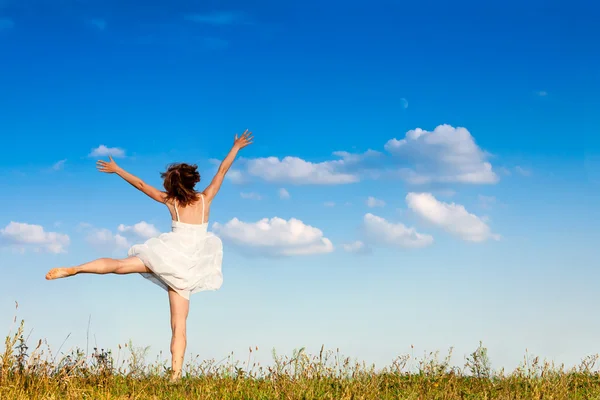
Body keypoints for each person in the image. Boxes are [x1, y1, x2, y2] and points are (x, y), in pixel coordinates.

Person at [45, 130, 253, 381]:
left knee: (120, 265)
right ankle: (175, 376)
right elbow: (222, 171)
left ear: (173, 184)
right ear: (193, 181)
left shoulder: (171, 201)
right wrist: (236, 148)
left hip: (166, 254)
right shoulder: (205, 199)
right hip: (187, 267)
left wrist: (118, 169)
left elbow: (142, 185)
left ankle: (76, 269)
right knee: (179, 325)